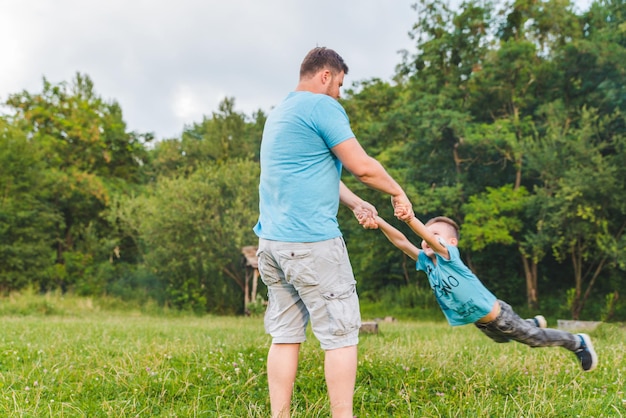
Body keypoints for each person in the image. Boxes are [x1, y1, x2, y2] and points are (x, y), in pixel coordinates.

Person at [253, 46, 413, 418]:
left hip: (273, 245)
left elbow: (316, 174)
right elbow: (363, 167)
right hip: (311, 243)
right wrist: (397, 191)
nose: (340, 93)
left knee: (285, 336)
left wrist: (356, 203)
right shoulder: (321, 106)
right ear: (325, 76)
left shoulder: (280, 114)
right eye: (339, 84)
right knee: (340, 336)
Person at [374, 212, 598, 372]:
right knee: (501, 341)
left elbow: (431, 240)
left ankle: (577, 342)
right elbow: (402, 242)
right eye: (424, 236)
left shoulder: (448, 256)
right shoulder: (428, 262)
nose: (426, 239)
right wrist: (380, 222)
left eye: (434, 234)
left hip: (500, 316)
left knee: (534, 340)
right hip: (482, 323)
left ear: (451, 242)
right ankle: (529, 323)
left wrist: (410, 219)